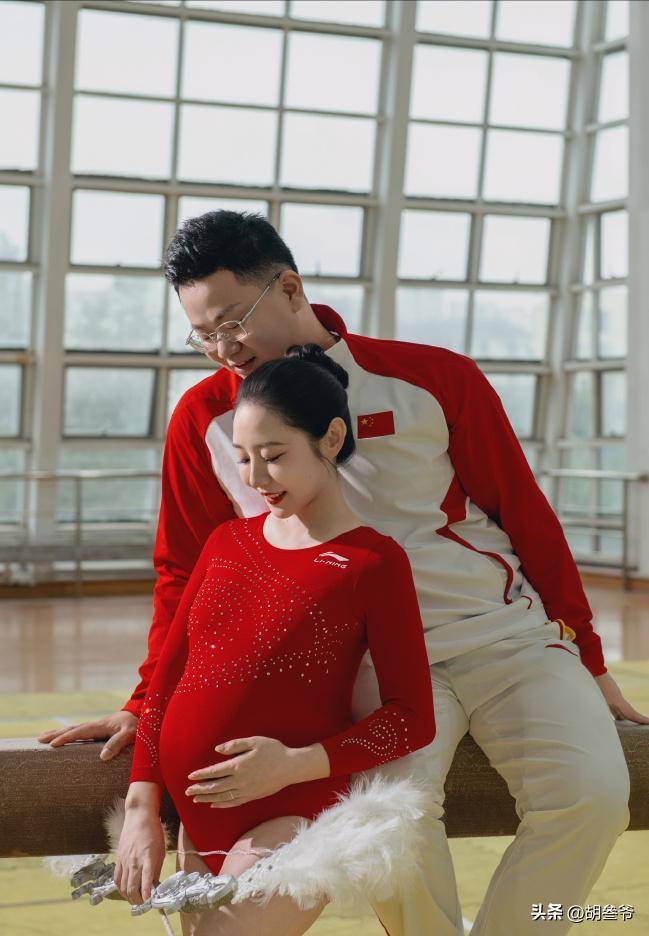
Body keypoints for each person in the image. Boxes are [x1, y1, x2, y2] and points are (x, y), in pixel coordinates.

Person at [39, 211, 647, 936]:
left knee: (593, 797)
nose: (223, 349)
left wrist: (588, 658)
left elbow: (528, 519)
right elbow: (183, 574)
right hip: (365, 670)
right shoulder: (203, 418)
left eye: (232, 322)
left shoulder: (433, 378)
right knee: (385, 829)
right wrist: (146, 701)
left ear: (289, 288)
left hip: (503, 637)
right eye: (202, 335)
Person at [114, 345, 436, 933]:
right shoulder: (226, 542)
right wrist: (141, 807)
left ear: (331, 438)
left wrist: (292, 765)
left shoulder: (373, 562)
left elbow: (412, 719)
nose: (256, 478)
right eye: (242, 458)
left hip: (289, 821)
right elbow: (167, 680)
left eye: (274, 456)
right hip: (194, 827)